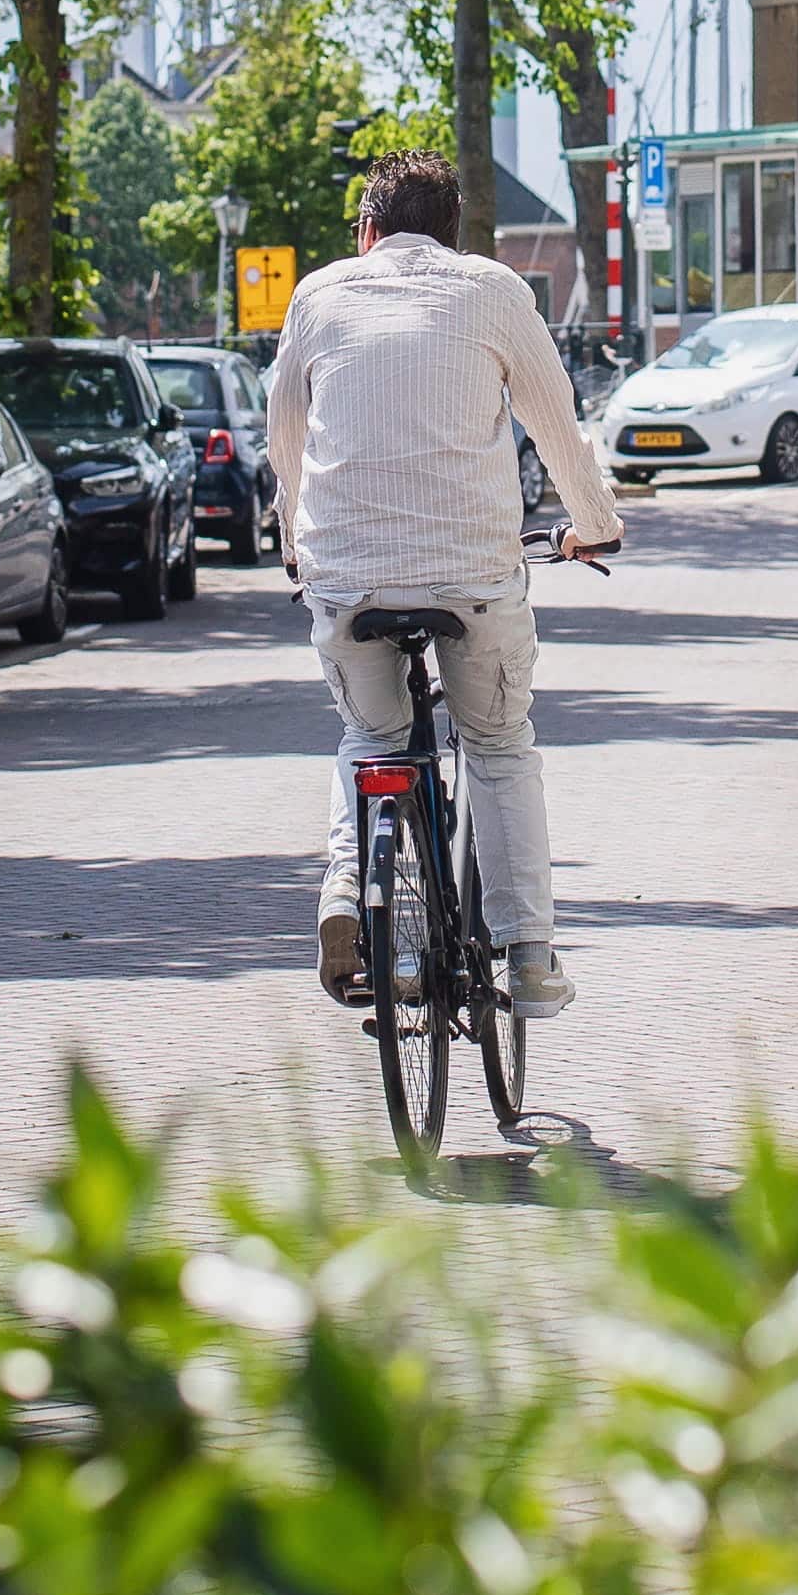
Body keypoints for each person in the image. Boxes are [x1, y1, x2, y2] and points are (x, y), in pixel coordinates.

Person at [265, 150, 628, 1016]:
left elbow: (285, 437)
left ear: (367, 231)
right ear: (456, 237)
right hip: (473, 574)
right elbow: (557, 430)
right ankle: (528, 957)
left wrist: (294, 544)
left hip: (345, 577)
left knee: (372, 738)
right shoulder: (495, 291)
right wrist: (597, 525)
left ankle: (351, 890)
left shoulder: (318, 294)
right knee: (499, 747)